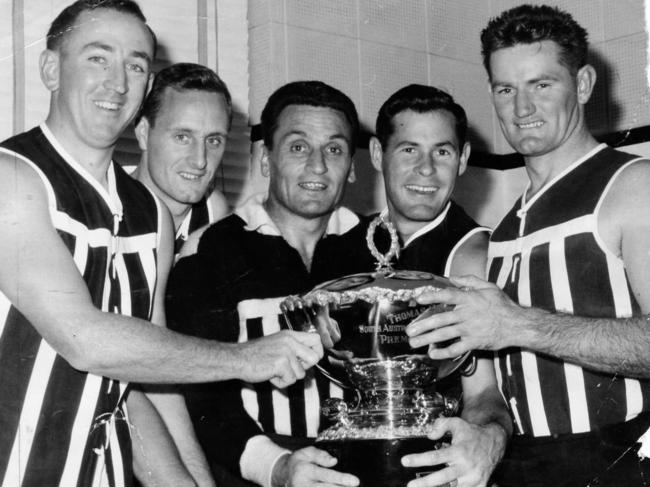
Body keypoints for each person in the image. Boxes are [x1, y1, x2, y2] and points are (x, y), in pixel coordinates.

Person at [0, 2, 322, 486]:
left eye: (135, 65)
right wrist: (247, 357)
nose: (118, 83)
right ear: (50, 69)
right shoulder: (14, 178)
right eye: (97, 58)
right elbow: (85, 341)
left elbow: (148, 382)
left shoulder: (150, 216)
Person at [406, 5, 650, 486]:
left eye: (541, 85)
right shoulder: (500, 233)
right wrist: (483, 436)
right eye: (506, 89)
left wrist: (516, 324)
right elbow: (490, 393)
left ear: (582, 84)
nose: (522, 109)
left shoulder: (632, 186)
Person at [166, 81, 363, 487]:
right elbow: (201, 395)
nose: (318, 166)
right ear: (265, 159)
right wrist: (276, 468)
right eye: (297, 147)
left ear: (353, 165)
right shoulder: (211, 250)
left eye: (335, 149)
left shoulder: (380, 250)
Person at [337, 84, 511, 487]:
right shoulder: (346, 248)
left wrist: (476, 444)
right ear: (379, 154)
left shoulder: (472, 256)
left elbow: (485, 393)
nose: (427, 169)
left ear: (463, 158)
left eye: (443, 152)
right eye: (409, 149)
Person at [132, 62, 230, 257]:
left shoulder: (213, 211)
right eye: (182, 137)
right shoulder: (104, 211)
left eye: (213, 140)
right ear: (144, 134)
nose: (200, 160)